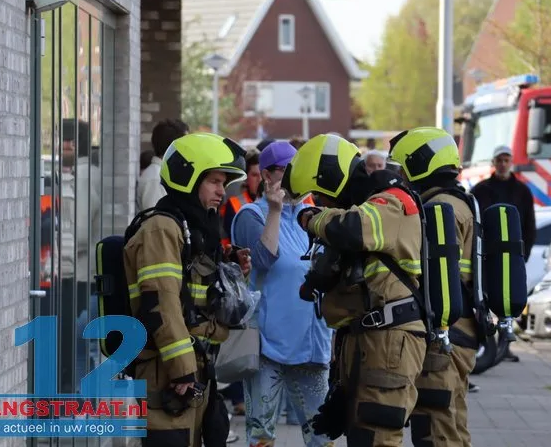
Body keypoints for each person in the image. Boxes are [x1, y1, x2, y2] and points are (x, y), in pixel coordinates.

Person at [281, 133, 428, 447]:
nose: (323, 204)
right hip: (367, 338)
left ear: (333, 179)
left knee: (376, 437)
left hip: (389, 338)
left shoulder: (390, 201)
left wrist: (311, 217)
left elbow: (350, 228)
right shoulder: (362, 205)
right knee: (362, 436)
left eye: (322, 195)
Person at [123, 132, 251, 447]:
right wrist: (182, 371)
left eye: (224, 183)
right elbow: (161, 303)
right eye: (214, 182)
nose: (222, 191)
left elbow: (194, 293)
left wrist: (228, 268)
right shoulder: (162, 229)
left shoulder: (191, 229)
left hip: (195, 367)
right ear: (187, 178)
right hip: (167, 371)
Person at [232, 141, 334, 447]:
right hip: (266, 346)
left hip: (312, 341)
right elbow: (263, 260)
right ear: (266, 174)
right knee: (262, 434)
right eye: (287, 172)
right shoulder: (251, 215)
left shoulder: (313, 215)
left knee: (322, 434)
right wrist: (275, 210)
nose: (295, 179)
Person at [389, 127, 479, 447]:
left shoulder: (442, 209)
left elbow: (438, 274)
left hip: (447, 331)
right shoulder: (458, 201)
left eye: (402, 168)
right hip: (461, 327)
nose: (400, 177)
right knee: (452, 420)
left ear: (420, 164)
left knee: (437, 425)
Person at [471, 144, 535, 363]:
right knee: (486, 297)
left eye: (506, 160)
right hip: (487, 255)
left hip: (512, 256)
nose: (502, 164)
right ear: (494, 163)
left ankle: (504, 346)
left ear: (511, 162)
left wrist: (521, 256)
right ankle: (484, 343)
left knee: (508, 299)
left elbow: (529, 225)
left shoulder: (522, 192)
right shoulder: (481, 190)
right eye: (499, 160)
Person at [137, 119, 189, 212]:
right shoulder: (155, 179)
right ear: (173, 147)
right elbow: (155, 221)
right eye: (185, 144)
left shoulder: (162, 174)